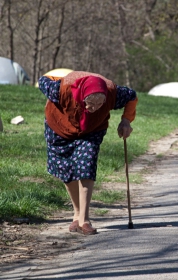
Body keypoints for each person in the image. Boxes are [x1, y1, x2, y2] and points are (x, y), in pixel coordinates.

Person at [38, 71, 138, 235]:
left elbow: (132, 96)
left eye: (99, 105)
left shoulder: (113, 93)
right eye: (90, 104)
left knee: (87, 166)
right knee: (65, 170)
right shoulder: (60, 90)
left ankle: (84, 219)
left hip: (92, 129)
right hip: (59, 128)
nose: (93, 108)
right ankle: (76, 215)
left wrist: (126, 120)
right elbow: (43, 80)